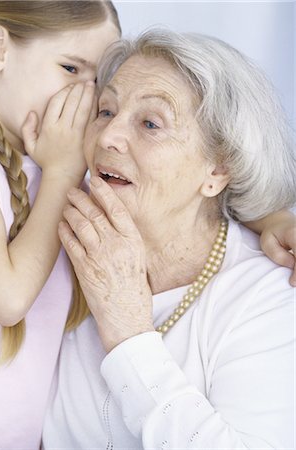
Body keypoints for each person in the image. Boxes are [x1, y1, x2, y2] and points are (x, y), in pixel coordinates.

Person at [42, 29, 296, 449]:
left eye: (150, 123)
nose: (107, 138)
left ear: (218, 169)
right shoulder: (55, 235)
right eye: (105, 111)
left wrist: (128, 331)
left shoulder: (269, 299)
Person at [0, 1, 120, 448]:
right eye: (70, 68)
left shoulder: (64, 166)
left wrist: (269, 216)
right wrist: (60, 176)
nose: (86, 95)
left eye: (99, 80)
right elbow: (6, 298)